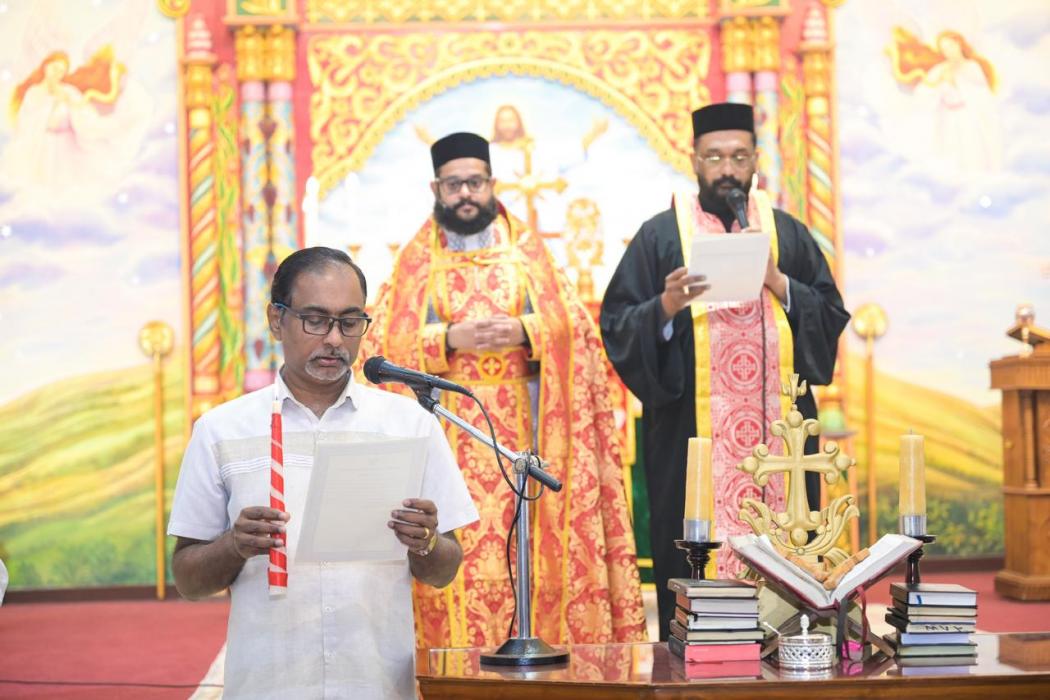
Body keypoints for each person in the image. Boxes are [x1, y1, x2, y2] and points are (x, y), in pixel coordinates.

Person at [359, 132, 646, 649]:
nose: (465, 194)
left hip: (520, 444)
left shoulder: (527, 253)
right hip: (448, 439)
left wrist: (526, 331)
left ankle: (536, 657)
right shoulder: (417, 262)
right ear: (436, 189)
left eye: (475, 182)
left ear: (491, 184)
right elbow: (382, 345)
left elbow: (574, 330)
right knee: (454, 547)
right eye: (454, 185)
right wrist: (447, 339)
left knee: (527, 550)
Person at [168, 247, 479, 699]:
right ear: (277, 320)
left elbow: (444, 569)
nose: (334, 339)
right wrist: (234, 546)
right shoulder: (222, 430)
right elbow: (188, 579)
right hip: (269, 684)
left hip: (375, 682)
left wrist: (425, 541)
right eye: (315, 320)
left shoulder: (408, 425)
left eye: (349, 322)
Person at [600, 103, 850, 640]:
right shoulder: (661, 236)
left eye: (739, 157)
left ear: (756, 159)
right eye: (714, 158)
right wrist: (665, 307)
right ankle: (697, 655)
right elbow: (617, 324)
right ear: (694, 160)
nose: (728, 169)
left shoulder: (787, 235)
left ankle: (791, 645)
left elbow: (830, 315)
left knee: (790, 573)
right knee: (695, 572)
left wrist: (780, 283)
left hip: (781, 445)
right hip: (692, 441)